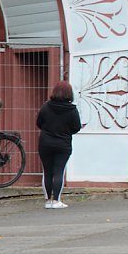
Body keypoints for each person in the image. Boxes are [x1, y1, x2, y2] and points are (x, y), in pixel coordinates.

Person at [37, 81, 81, 209]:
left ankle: (47, 200)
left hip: (45, 143)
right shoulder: (72, 109)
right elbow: (76, 127)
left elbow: (39, 123)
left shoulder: (45, 107)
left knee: (47, 171)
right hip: (63, 144)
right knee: (59, 171)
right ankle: (56, 200)